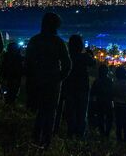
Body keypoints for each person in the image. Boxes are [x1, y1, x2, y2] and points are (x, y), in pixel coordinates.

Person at [26, 12, 72, 148]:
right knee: (50, 111)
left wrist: (31, 78)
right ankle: (46, 140)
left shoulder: (35, 40)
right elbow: (67, 64)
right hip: (52, 81)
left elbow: (28, 62)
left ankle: (36, 137)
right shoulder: (58, 42)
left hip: (37, 80)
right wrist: (59, 78)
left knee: (40, 109)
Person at [62, 34, 96, 137]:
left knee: (70, 110)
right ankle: (80, 134)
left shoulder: (67, 56)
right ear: (81, 45)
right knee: (82, 111)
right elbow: (93, 63)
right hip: (82, 87)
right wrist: (89, 53)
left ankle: (70, 132)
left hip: (69, 86)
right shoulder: (84, 57)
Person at [90, 64, 114, 138]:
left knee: (100, 117)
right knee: (109, 118)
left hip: (99, 101)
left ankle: (102, 132)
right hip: (108, 102)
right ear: (107, 72)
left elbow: (92, 92)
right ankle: (107, 133)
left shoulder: (97, 81)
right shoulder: (110, 81)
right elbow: (113, 91)